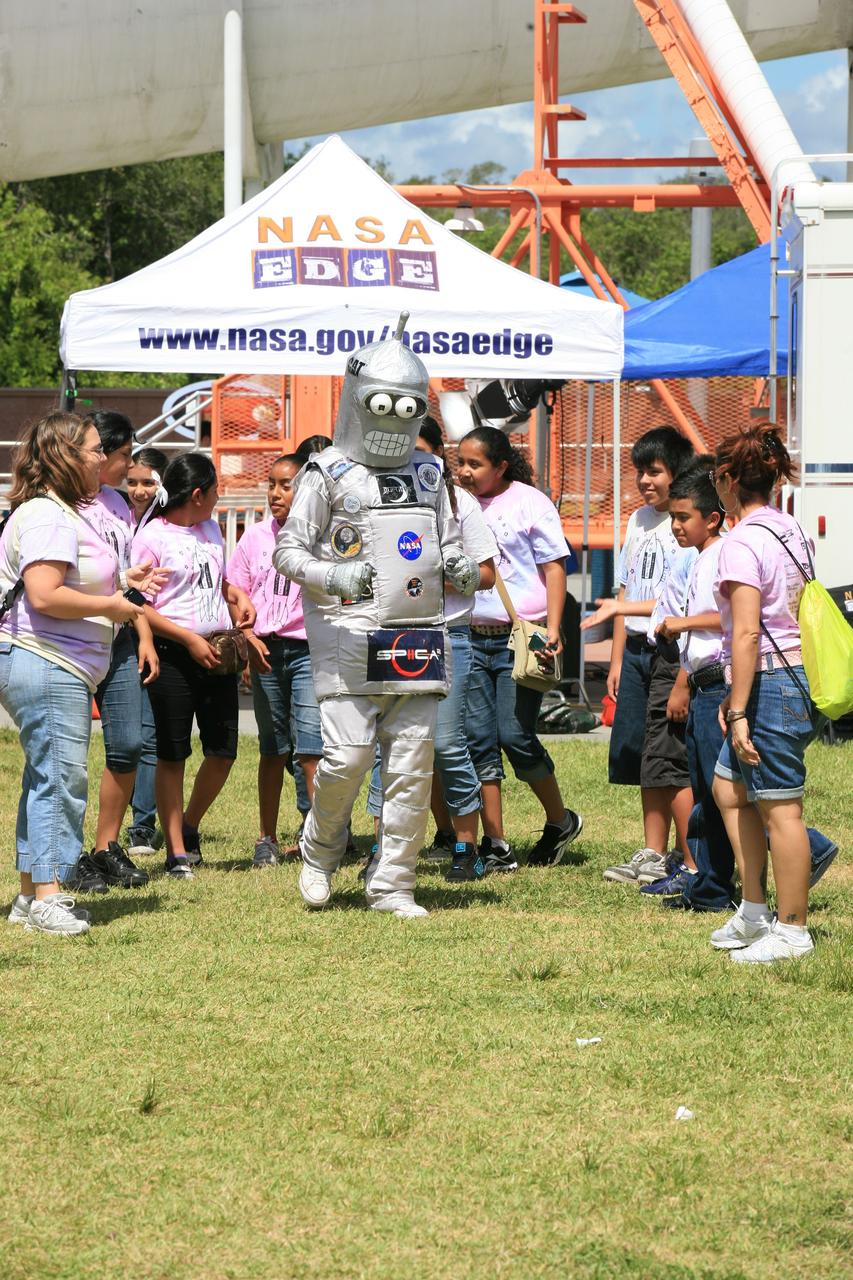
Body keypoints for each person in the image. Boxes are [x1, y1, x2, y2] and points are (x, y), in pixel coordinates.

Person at [274, 317, 478, 918]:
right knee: (347, 757)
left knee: (413, 764)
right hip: (347, 633)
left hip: (415, 631)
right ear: (358, 401)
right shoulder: (325, 473)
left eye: (404, 410)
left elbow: (442, 540)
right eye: (381, 407)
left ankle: (393, 882)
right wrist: (332, 576)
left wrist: (457, 565)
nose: (391, 423)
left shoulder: (430, 473)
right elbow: (289, 550)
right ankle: (321, 849)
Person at [0, 412, 157, 935]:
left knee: (47, 777)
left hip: (53, 661)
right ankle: (49, 896)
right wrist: (111, 605)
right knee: (62, 779)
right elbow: (45, 594)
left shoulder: (62, 511)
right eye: (94, 450)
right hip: (48, 660)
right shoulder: (49, 514)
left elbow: (69, 581)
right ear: (67, 456)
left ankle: (30, 894)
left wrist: (121, 583)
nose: (103, 458)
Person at [710, 423, 827, 963]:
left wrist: (737, 708)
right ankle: (755, 910)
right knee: (729, 788)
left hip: (774, 681)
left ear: (729, 479)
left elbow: (749, 632)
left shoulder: (741, 541)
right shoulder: (789, 529)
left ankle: (793, 929)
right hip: (792, 675)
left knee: (781, 809)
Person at [364, 416, 497, 881]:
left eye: (421, 452)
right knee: (387, 747)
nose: (411, 461)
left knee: (445, 743)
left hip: (448, 633)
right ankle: (383, 849)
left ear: (438, 455)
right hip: (392, 632)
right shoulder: (372, 497)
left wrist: (453, 569)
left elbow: (486, 574)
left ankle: (467, 845)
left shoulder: (459, 503)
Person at [457, 426, 583, 871]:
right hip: (468, 636)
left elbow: (554, 569)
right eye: (462, 463)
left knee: (515, 736)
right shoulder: (454, 503)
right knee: (477, 742)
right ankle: (496, 844)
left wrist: (552, 627)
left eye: (476, 464)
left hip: (520, 637)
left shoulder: (530, 502)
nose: (466, 472)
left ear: (502, 466)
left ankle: (560, 819)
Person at [132, 454, 256, 878]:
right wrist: (187, 639)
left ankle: (188, 824)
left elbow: (211, 581)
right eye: (216, 489)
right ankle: (176, 852)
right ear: (198, 494)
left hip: (217, 653)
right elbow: (139, 606)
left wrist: (236, 594)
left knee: (222, 753)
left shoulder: (209, 529)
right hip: (173, 657)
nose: (220, 496)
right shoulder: (152, 537)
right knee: (173, 754)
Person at [582, 425, 695, 884]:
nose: (646, 481)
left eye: (655, 472)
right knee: (645, 754)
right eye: (640, 473)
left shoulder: (687, 524)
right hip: (634, 648)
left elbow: (678, 603)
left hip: (670, 649)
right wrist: (615, 660)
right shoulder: (636, 520)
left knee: (669, 755)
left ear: (677, 473)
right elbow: (624, 588)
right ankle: (653, 852)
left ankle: (692, 860)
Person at [69, 412, 161, 895]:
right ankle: (66, 858)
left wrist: (143, 635)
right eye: (124, 455)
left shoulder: (120, 505)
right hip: (71, 639)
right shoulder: (60, 503)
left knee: (127, 744)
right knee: (66, 758)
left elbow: (129, 579)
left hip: (121, 639)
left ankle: (105, 849)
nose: (128, 466)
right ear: (97, 453)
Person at [226, 454, 323, 867]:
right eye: (272, 483)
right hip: (265, 650)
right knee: (272, 749)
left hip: (308, 650)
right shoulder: (256, 537)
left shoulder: (324, 536)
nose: (276, 493)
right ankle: (266, 837)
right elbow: (236, 588)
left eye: (287, 485)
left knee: (311, 750)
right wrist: (247, 636)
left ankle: (318, 837)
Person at [123, 445, 170, 857]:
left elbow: (142, 595)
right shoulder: (119, 516)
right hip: (120, 632)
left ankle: (142, 825)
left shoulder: (164, 526)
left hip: (150, 635)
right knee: (129, 736)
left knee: (150, 737)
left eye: (148, 482)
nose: (139, 490)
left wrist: (146, 637)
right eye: (133, 481)